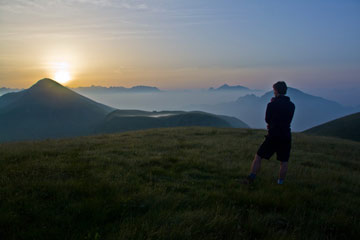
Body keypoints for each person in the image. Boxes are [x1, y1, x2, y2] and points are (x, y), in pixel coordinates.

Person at [244, 81, 295, 185]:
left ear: (276, 91)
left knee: (258, 156)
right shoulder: (291, 105)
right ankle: (280, 183)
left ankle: (252, 177)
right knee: (284, 161)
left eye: (274, 90)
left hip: (273, 135)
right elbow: (288, 119)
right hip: (285, 135)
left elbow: (267, 119)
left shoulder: (271, 104)